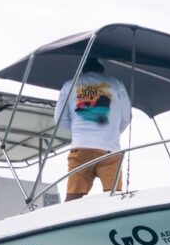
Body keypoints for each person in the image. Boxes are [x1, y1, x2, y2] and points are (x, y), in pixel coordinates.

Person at [54, 57, 132, 201]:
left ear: (83, 70)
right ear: (102, 69)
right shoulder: (117, 84)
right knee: (115, 197)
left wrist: (79, 132)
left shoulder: (69, 85)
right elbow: (126, 118)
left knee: (73, 199)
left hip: (81, 149)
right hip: (110, 150)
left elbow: (59, 120)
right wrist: (112, 133)